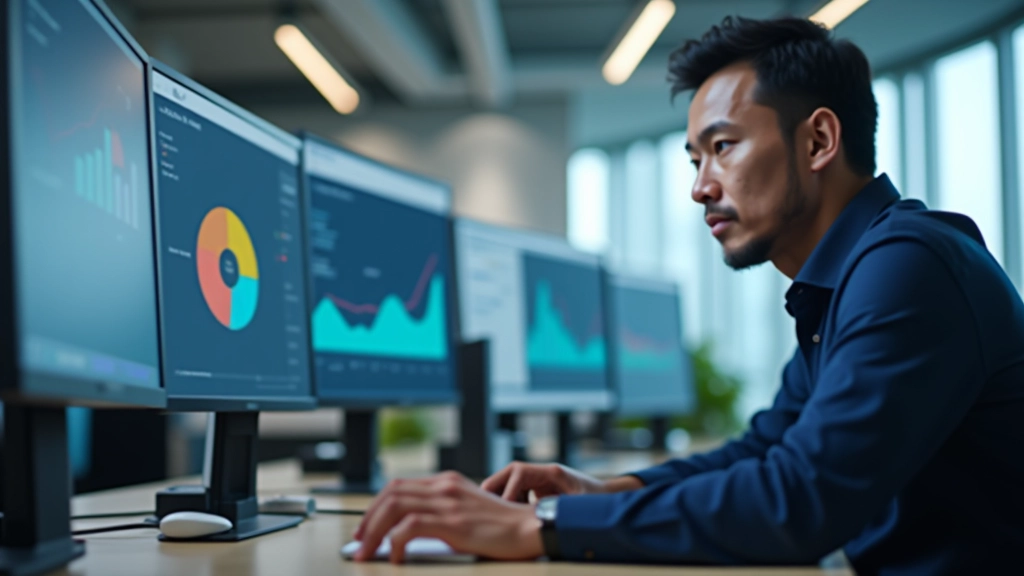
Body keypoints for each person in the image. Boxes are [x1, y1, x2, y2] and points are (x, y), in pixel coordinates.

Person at [352, 15, 1024, 574]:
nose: (700, 186)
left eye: (722, 147)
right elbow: (767, 449)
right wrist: (605, 491)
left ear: (818, 140)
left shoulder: (907, 269)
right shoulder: (845, 283)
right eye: (695, 159)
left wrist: (544, 529)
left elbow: (800, 502)